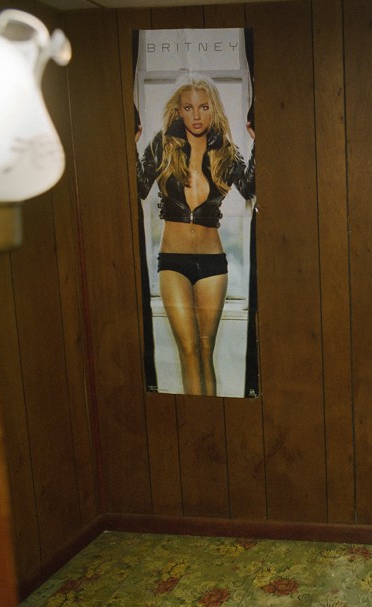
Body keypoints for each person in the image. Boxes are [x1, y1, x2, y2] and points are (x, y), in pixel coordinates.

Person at [136, 73, 255, 396]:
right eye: (188, 108)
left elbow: (251, 189)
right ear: (178, 111)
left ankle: (214, 424)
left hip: (213, 264)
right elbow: (136, 188)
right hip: (172, 261)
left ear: (213, 110)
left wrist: (258, 142)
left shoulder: (227, 153)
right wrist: (130, 146)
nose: (197, 116)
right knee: (188, 349)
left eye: (203, 107)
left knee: (206, 350)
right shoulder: (162, 146)